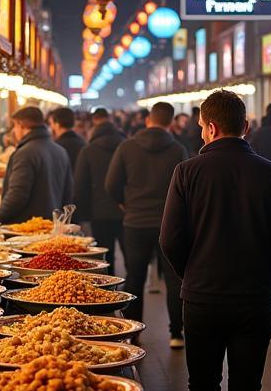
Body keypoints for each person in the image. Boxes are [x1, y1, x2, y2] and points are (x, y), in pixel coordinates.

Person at [161, 89, 271, 391]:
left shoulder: (187, 172)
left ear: (209, 127)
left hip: (202, 299)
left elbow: (170, 238)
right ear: (247, 127)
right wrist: (265, 272)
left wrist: (192, 273)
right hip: (254, 300)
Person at [106, 101, 187, 346]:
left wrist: (124, 204)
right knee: (174, 278)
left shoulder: (127, 147)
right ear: (171, 123)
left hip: (135, 221)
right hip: (168, 223)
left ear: (148, 119)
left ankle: (132, 331)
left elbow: (111, 183)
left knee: (135, 275)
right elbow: (185, 188)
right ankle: (176, 333)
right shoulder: (178, 150)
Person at [0, 106, 73, 225]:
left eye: (14, 126)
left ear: (21, 125)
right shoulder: (60, 151)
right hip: (50, 226)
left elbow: (17, 194)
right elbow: (68, 192)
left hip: (25, 228)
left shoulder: (25, 153)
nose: (14, 131)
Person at [74, 108, 126, 266]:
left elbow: (80, 185)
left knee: (104, 257)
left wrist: (82, 216)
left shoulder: (88, 150)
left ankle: (109, 286)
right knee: (131, 258)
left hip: (98, 212)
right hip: (125, 209)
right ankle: (131, 287)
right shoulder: (127, 146)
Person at [48, 106, 86, 172]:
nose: (50, 127)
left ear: (57, 124)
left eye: (51, 123)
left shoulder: (55, 147)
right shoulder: (83, 144)